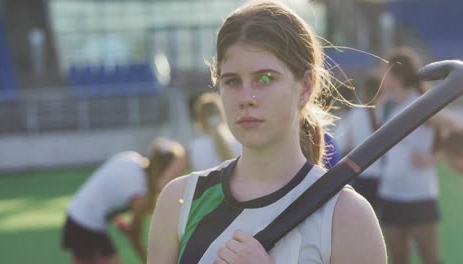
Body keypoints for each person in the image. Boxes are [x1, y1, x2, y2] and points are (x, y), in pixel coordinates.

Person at [147, 1, 386, 263]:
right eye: (232, 81)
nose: (246, 98)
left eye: (265, 79)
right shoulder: (180, 200)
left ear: (305, 86)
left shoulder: (347, 215)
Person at [377, 47, 461, 264]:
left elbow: (457, 127)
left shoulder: (420, 103)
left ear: (396, 75)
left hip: (419, 196)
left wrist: (434, 158)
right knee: (398, 260)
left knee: (430, 259)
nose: (380, 75)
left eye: (384, 70)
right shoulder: (385, 104)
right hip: (390, 194)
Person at [61, 137, 185, 264]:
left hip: (76, 218)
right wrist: (148, 260)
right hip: (85, 225)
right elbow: (135, 238)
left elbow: (109, 187)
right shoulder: (139, 193)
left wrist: (126, 224)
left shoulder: (131, 158)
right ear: (165, 171)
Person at [155, 92, 241, 189]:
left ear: (199, 120)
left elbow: (163, 183)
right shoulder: (241, 142)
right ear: (223, 115)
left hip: (207, 202)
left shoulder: (193, 148)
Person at [336, 73, 386, 210]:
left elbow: (344, 144)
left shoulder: (355, 114)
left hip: (361, 175)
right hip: (383, 178)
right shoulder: (386, 113)